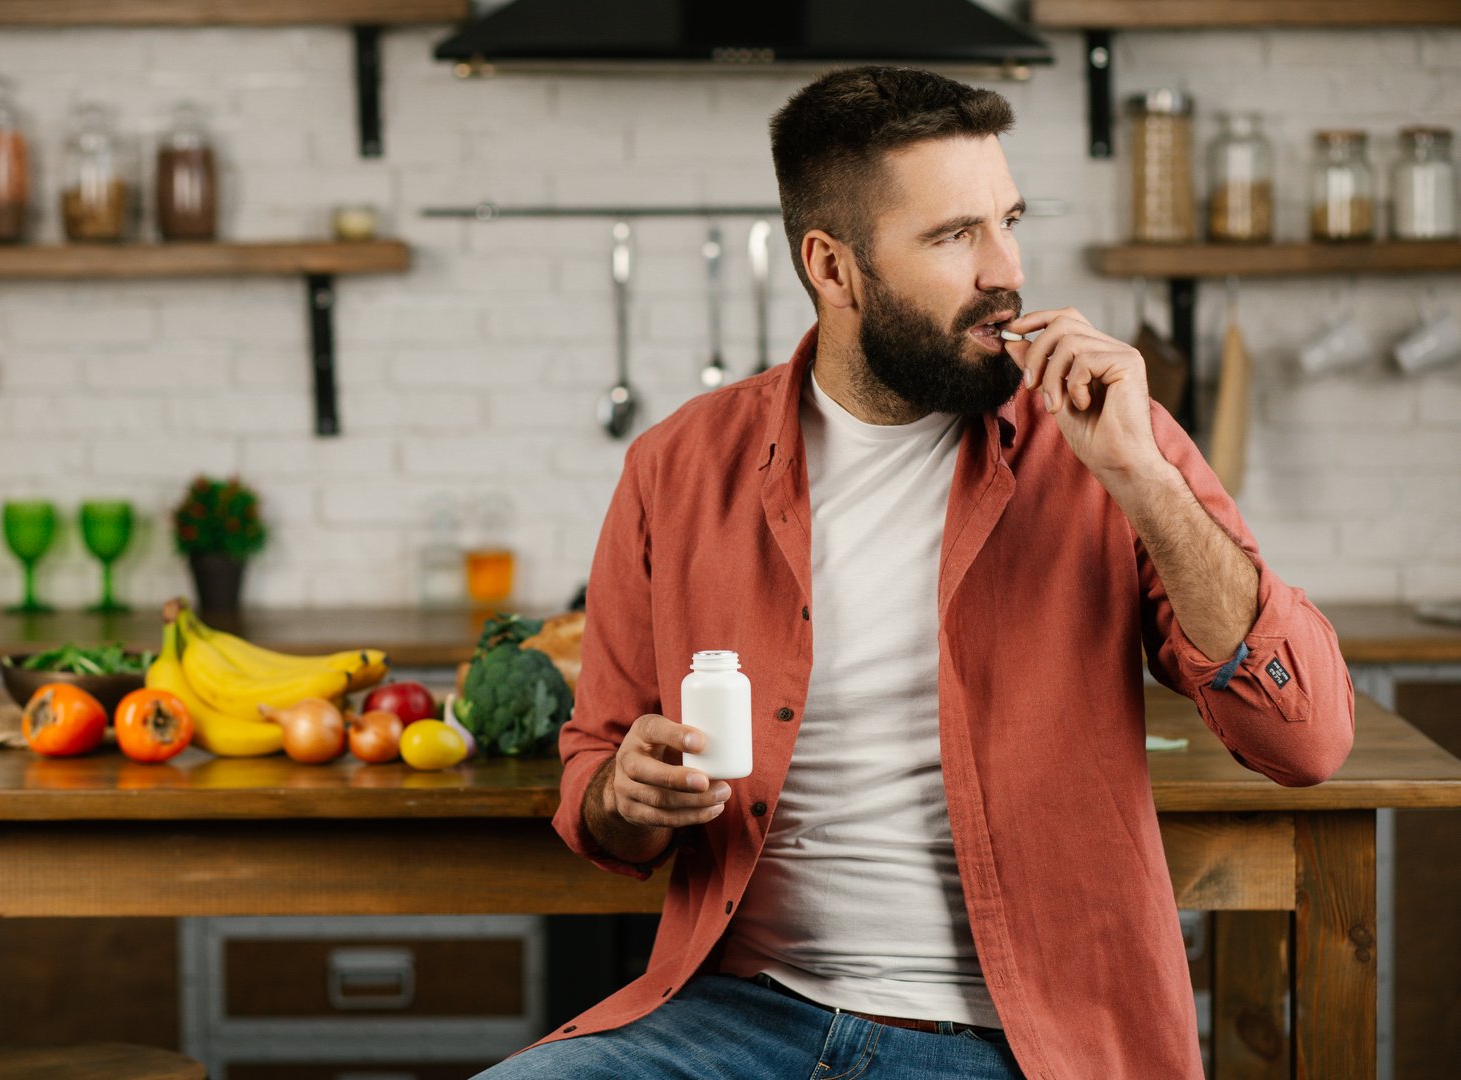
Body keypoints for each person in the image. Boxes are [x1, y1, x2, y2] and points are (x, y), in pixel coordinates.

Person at [475, 66, 1354, 1080]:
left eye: (1008, 221)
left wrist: (1146, 481)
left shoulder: (1110, 445)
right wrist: (622, 796)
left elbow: (1309, 740)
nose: (1006, 269)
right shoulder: (675, 468)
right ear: (834, 269)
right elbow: (594, 771)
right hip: (733, 1016)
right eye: (952, 238)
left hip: (1017, 1040)